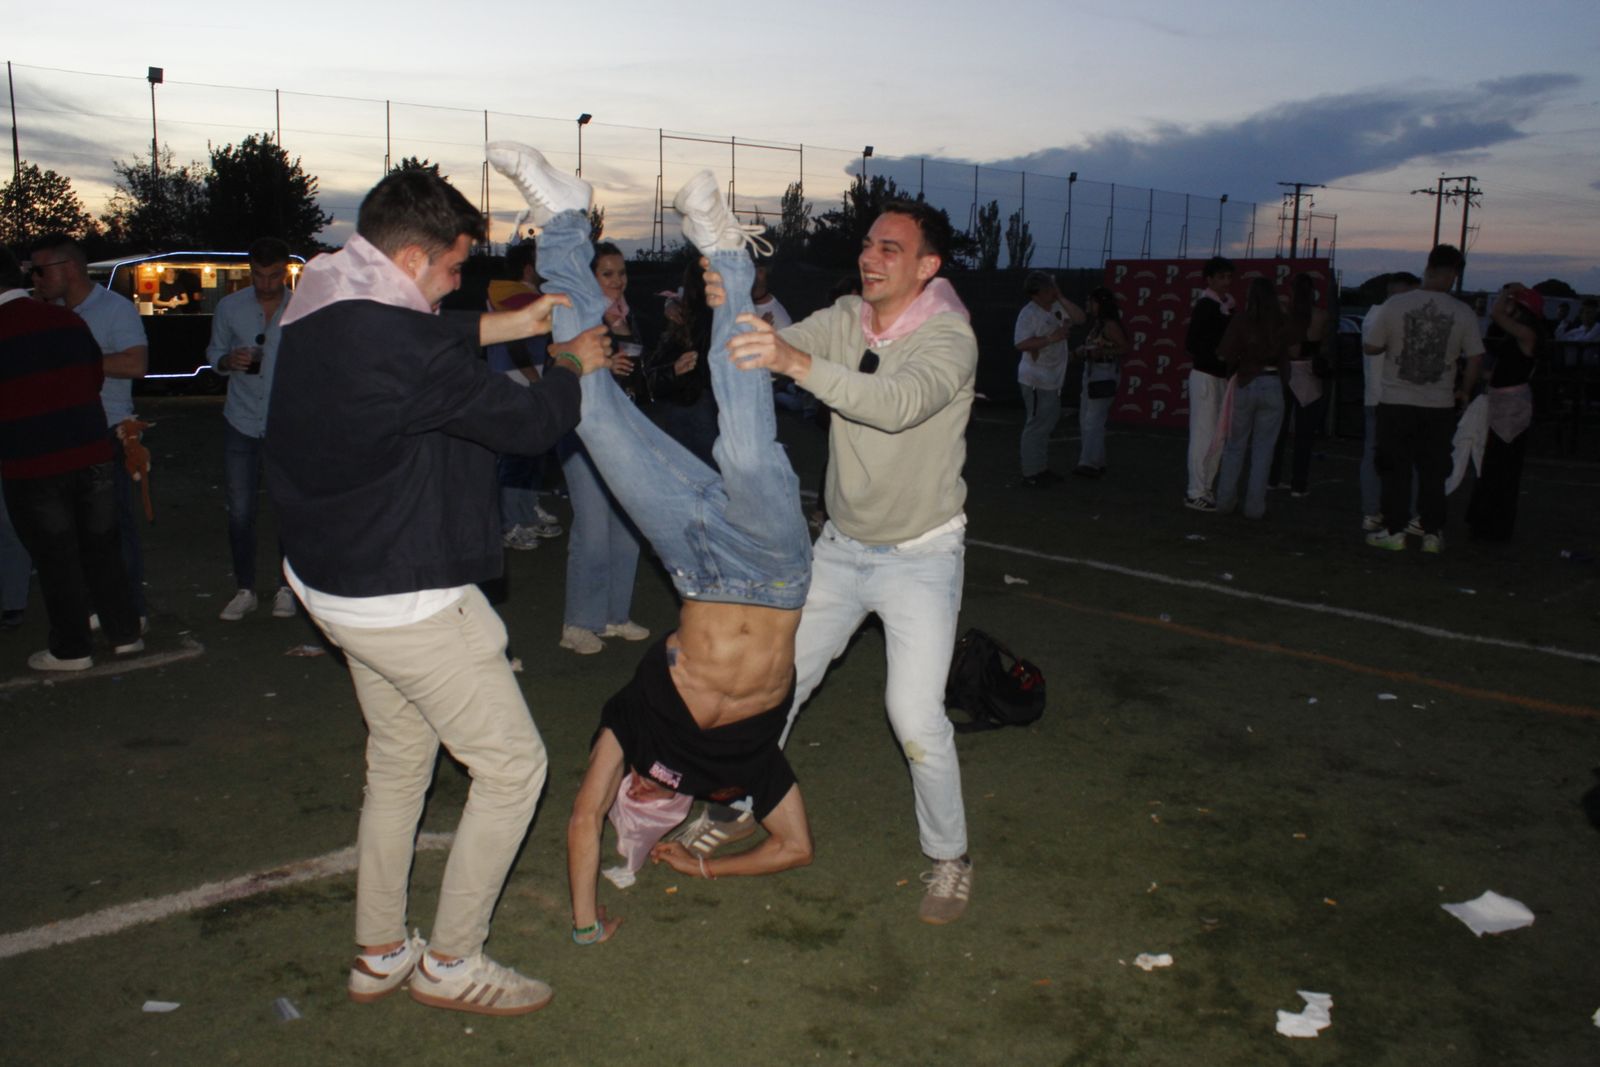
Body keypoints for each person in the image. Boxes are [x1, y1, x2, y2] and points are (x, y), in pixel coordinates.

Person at [263, 167, 610, 1016]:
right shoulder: (401, 345)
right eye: (456, 266)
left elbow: (423, 328)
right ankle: (452, 960)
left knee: (400, 763)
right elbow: (529, 423)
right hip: (403, 594)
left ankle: (380, 949)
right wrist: (567, 360)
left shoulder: (325, 288)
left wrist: (505, 322)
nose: (462, 281)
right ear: (413, 256)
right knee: (513, 767)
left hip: (332, 581)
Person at [484, 144, 816, 943]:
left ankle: (563, 218)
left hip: (693, 566)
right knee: (743, 445)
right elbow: (795, 846)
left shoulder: (633, 726)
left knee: (588, 411)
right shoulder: (741, 774)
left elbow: (578, 819)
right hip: (773, 572)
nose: (643, 804)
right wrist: (703, 865)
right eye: (652, 814)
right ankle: (727, 252)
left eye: (636, 801)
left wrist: (585, 924)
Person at [686, 196, 981, 925]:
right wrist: (733, 300)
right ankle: (740, 803)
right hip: (844, 547)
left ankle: (950, 857)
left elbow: (895, 401)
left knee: (914, 714)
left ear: (926, 266)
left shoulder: (951, 338)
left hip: (921, 554)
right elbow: (775, 340)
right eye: (868, 244)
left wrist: (795, 359)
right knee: (774, 683)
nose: (870, 257)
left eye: (890, 248)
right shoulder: (849, 316)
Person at [1, 246, 142, 670]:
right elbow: (94, 374)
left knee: (55, 555)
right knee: (102, 547)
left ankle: (72, 647)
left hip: (34, 463)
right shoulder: (67, 320)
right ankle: (124, 632)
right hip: (90, 451)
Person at [28, 235, 149, 624]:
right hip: (68, 433)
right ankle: (98, 606)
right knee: (79, 531)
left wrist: (76, 361)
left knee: (114, 528)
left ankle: (131, 611)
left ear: (68, 269)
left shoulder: (114, 309)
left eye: (41, 270)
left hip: (109, 431)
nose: (35, 278)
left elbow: (136, 365)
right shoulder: (48, 311)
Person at [553, 241, 650, 655]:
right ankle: (578, 624)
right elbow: (555, 358)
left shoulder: (628, 317)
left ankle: (613, 615)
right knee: (592, 530)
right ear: (590, 278)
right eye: (607, 274)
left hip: (623, 432)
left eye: (621, 273)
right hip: (581, 432)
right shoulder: (577, 313)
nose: (616, 281)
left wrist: (666, 368)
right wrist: (600, 364)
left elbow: (640, 379)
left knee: (626, 529)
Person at [1363, 244, 1484, 554]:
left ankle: (1395, 528)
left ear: (1428, 267)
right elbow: (1474, 358)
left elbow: (1371, 346)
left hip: (1397, 400)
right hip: (1438, 403)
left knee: (1395, 469)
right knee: (1433, 471)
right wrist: (1465, 390)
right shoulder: (1463, 312)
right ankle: (1432, 531)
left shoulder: (1396, 304)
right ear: (1454, 276)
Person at [206, 238, 297, 621]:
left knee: (288, 509)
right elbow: (213, 356)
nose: (265, 283)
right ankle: (244, 588)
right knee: (240, 511)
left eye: (274, 274)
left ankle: (286, 588)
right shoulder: (229, 307)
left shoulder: (303, 308)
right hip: (241, 420)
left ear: (286, 270)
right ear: (249, 271)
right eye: (258, 275)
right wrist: (229, 359)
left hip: (286, 423)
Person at [486, 241, 563, 551]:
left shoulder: (525, 295)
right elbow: (515, 341)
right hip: (515, 378)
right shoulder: (509, 293)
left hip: (530, 375)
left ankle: (526, 512)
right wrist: (535, 379)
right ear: (530, 267)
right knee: (517, 454)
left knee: (533, 451)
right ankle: (509, 522)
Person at [1465, 285, 1545, 541]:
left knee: (1501, 466)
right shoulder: (1522, 335)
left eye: (1513, 302)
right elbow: (1504, 371)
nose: (1507, 305)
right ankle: (1487, 523)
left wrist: (1505, 291)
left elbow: (1497, 314)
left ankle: (1492, 525)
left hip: (1511, 408)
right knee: (1496, 464)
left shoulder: (1527, 334)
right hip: (1506, 403)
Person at [1214, 278, 1296, 518]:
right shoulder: (1281, 322)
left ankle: (1225, 501)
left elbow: (1223, 353)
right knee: (1264, 450)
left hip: (1246, 382)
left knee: (1235, 447)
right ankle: (1255, 507)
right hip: (1272, 384)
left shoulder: (1241, 320)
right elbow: (1293, 350)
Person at [1013, 271, 1085, 486]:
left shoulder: (1056, 306)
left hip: (1053, 377)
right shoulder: (1028, 314)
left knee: (1047, 422)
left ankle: (1040, 467)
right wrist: (1051, 338)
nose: (1051, 293)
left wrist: (1060, 296)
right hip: (1035, 378)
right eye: (1047, 290)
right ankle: (1032, 473)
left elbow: (1080, 318)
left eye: (1052, 288)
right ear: (1036, 294)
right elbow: (1020, 344)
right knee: (1036, 424)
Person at [1360, 272, 1419, 532]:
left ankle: (1375, 511)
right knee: (1408, 459)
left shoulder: (1374, 316)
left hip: (1378, 397)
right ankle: (1407, 512)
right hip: (1393, 398)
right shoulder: (1390, 318)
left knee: (1376, 456)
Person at [1268, 272, 1333, 497]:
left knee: (1278, 430)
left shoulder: (1286, 313)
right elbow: (1323, 346)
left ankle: (1273, 478)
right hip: (1307, 373)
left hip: (1286, 373)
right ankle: (1298, 485)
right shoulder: (1321, 315)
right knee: (1304, 435)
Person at [1183, 256, 1235, 510]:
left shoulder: (1227, 307)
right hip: (1205, 375)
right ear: (1210, 279)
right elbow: (1192, 344)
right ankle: (1195, 491)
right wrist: (1217, 354)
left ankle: (1206, 487)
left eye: (1229, 277)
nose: (1227, 282)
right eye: (1222, 277)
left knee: (1217, 436)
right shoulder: (1206, 306)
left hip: (1220, 377)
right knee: (1203, 435)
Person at [1075, 286, 1127, 478]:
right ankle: (1095, 460)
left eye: (1092, 301)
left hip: (1103, 372)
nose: (1088, 304)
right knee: (1088, 419)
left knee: (1092, 420)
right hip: (1093, 371)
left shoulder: (1109, 325)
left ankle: (1090, 462)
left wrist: (1101, 352)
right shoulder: (1100, 324)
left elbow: (1124, 348)